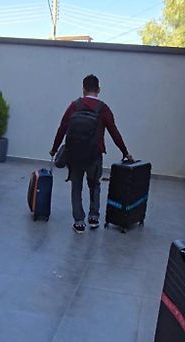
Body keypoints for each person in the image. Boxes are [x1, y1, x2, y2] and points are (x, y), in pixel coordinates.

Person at [50, 74, 133, 234]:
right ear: (99, 89)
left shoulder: (75, 106)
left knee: (76, 187)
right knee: (94, 185)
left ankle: (79, 222)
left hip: (74, 155)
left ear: (83, 89)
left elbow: (62, 128)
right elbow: (114, 132)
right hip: (94, 155)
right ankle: (93, 217)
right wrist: (125, 152)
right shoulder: (103, 109)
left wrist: (54, 148)